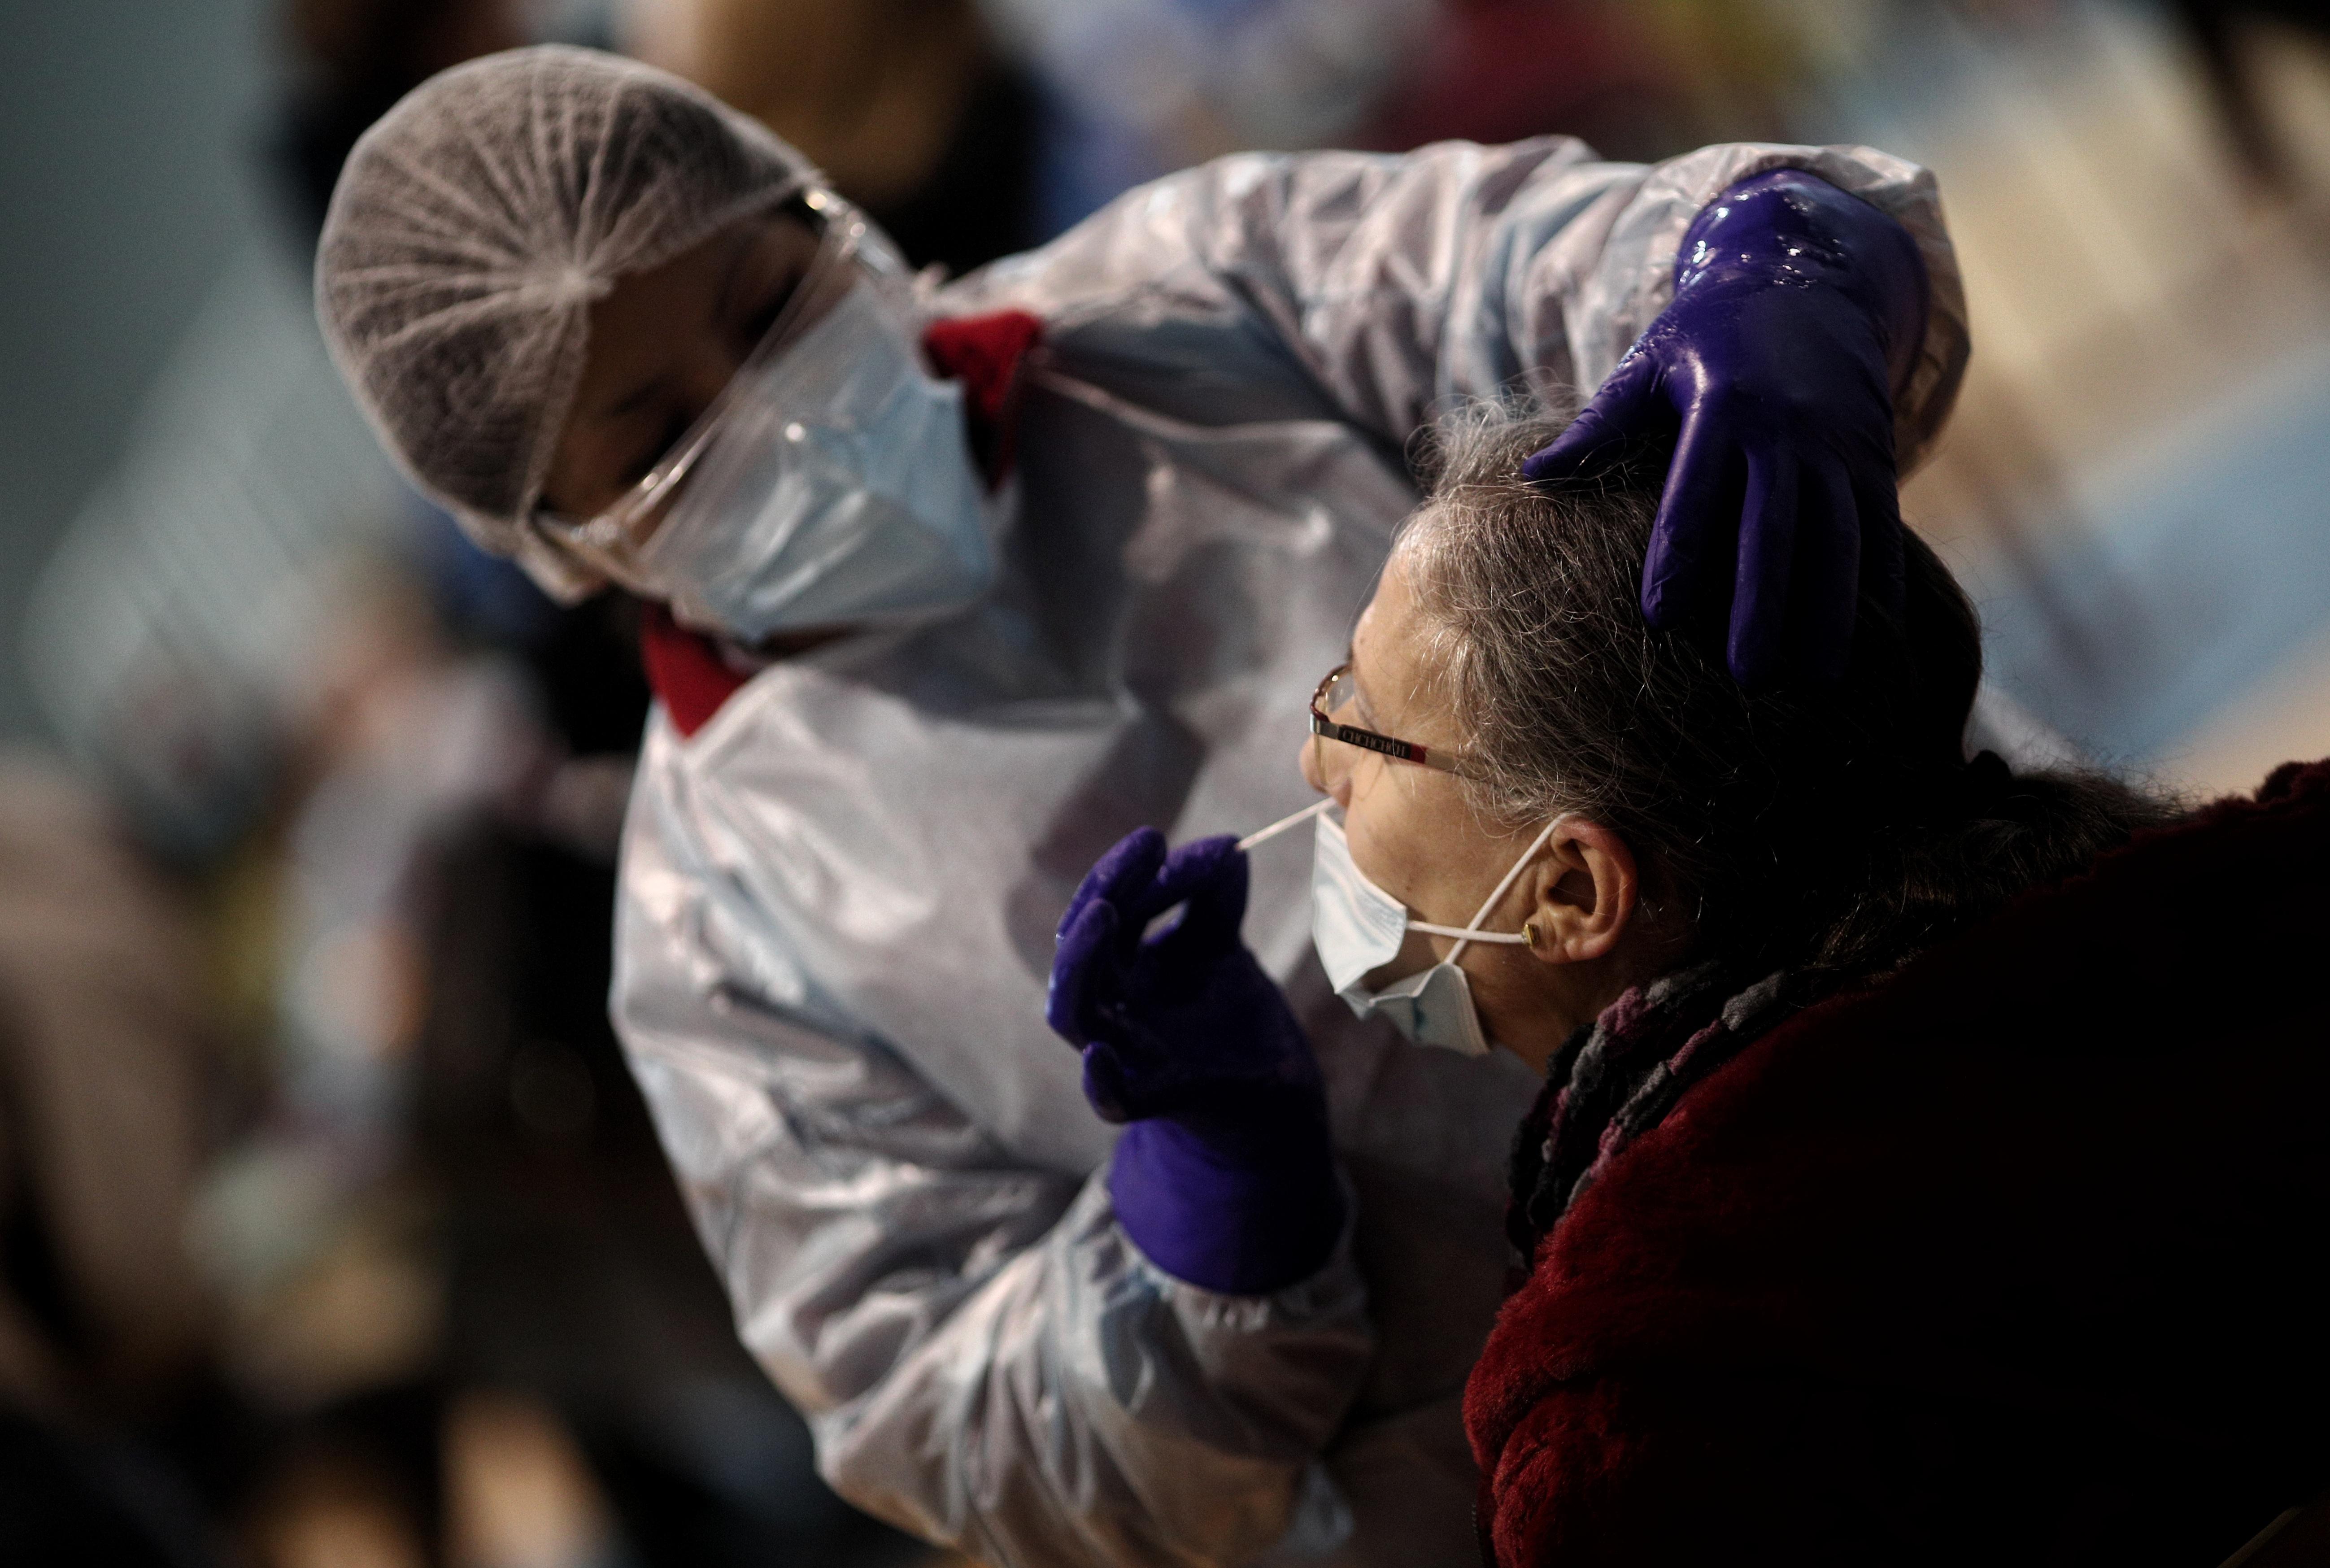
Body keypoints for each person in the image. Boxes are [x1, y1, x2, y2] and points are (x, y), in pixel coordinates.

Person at [314, 44, 1967, 1565]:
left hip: (1907, 1128)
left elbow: (1599, 252)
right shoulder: (718, 942)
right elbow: (961, 1423)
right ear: (555, 540)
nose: (779, 413)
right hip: (1546, 1499)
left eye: (765, 306)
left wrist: (1780, 281)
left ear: (823, 208)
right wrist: (1214, 1212)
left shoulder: (1200, 300)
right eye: (663, 440)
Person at [1054, 399, 2330, 1565]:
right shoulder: (2263, 913)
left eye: (1364, 729)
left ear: (1569, 892)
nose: (1308, 763)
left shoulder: (1642, 1421)